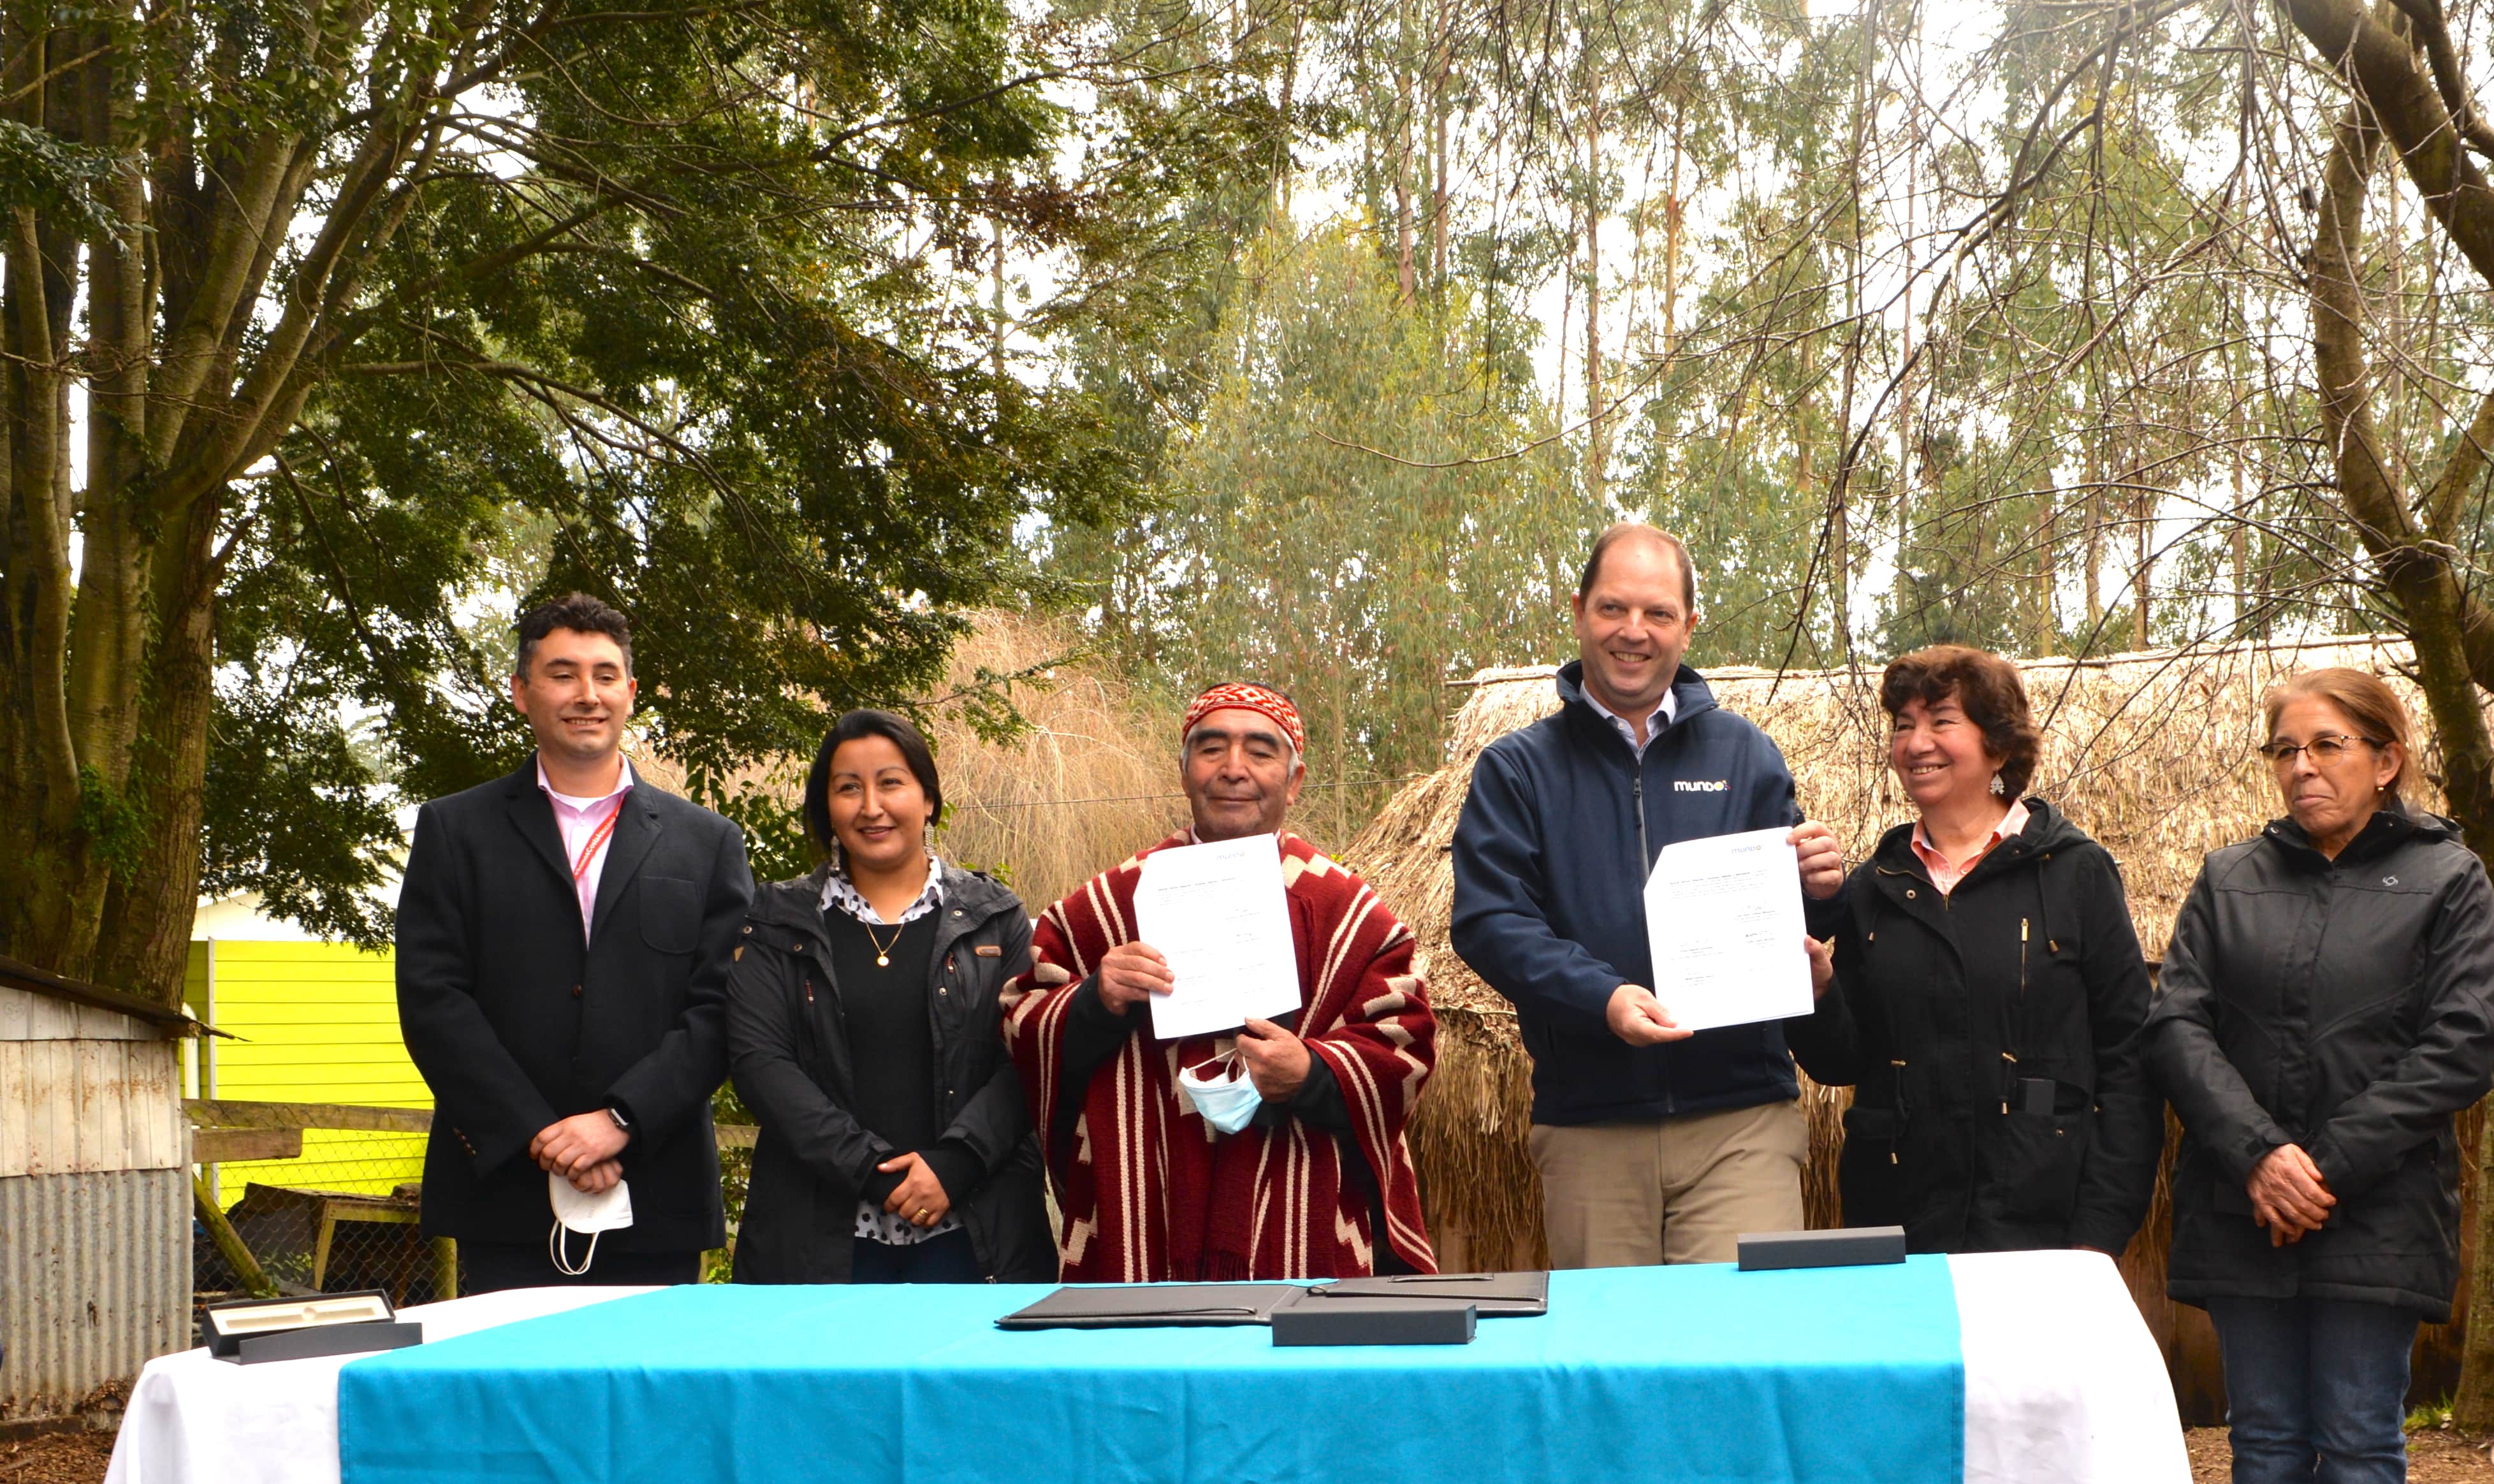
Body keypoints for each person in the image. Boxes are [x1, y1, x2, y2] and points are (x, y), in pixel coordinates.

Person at [2148, 668, 2494, 1484]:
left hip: (2376, 1205)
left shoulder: (2446, 878)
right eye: (2285, 749)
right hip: (2242, 1198)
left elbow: (2460, 1044)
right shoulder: (2228, 878)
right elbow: (2175, 1024)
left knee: (2354, 1428)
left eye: (2329, 745)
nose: (2302, 767)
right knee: (2260, 1430)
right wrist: (2259, 1154)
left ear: (2384, 759)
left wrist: (2324, 1164)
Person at [1450, 524, 1845, 1266]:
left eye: (1658, 614)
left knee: (1743, 1357)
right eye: (1613, 609)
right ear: (1578, 612)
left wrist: (1820, 892)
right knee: (1613, 1368)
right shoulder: (1517, 769)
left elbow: (1791, 918)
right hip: (1590, 1126)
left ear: (1689, 626)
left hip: (1742, 1122)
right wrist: (1603, 998)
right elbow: (1489, 922)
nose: (1634, 632)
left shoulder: (1746, 752)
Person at [1001, 683, 1439, 1281]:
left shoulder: (1351, 915)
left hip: (1300, 1220)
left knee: (1289, 1374)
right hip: (1140, 1212)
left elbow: (1405, 1046)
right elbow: (1023, 1015)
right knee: (1144, 1373)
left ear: (1295, 779)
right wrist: (1093, 1000)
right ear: (1184, 773)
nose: (1235, 769)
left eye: (1260, 751)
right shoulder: (1104, 908)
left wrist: (1314, 1074)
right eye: (1212, 749)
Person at [396, 593, 754, 1292]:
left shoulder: (706, 842)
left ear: (630, 692)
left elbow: (722, 1006)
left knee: (652, 1398)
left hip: (658, 1188)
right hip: (504, 1192)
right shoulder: (455, 831)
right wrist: (543, 1134)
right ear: (521, 692)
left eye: (605, 675)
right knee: (512, 1399)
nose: (586, 695)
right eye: (562, 674)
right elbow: (434, 1002)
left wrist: (622, 1119)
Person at [1785, 645, 2161, 1256]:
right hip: (1897, 1228)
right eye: (1903, 724)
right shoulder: (1873, 887)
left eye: (1941, 720)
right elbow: (1843, 1064)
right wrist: (1821, 992)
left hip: (2043, 1225)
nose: (1915, 742)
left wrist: (2100, 1228)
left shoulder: (2076, 873)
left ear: (2000, 746)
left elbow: (2130, 1058)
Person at [724, 710, 1051, 1283]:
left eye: (891, 783)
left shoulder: (995, 918)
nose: (871, 806)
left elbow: (1029, 1056)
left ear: (928, 799)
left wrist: (955, 1165)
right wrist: (879, 1175)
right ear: (827, 808)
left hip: (977, 1231)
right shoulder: (778, 920)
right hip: (819, 1240)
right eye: (848, 787)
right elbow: (760, 1064)